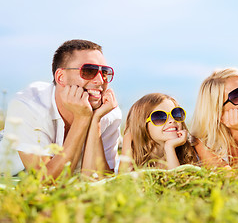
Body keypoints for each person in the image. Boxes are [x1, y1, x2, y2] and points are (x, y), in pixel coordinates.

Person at [0, 39, 122, 178]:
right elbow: (45, 180)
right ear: (61, 77)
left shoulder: (107, 112)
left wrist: (95, 122)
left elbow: (99, 181)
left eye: (105, 72)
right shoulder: (28, 105)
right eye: (89, 71)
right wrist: (82, 119)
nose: (100, 81)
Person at [119, 93, 197, 172]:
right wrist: (128, 141)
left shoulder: (187, 150)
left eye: (175, 114)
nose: (172, 120)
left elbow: (177, 180)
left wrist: (169, 148)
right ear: (142, 124)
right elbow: (123, 180)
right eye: (159, 117)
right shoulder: (132, 143)